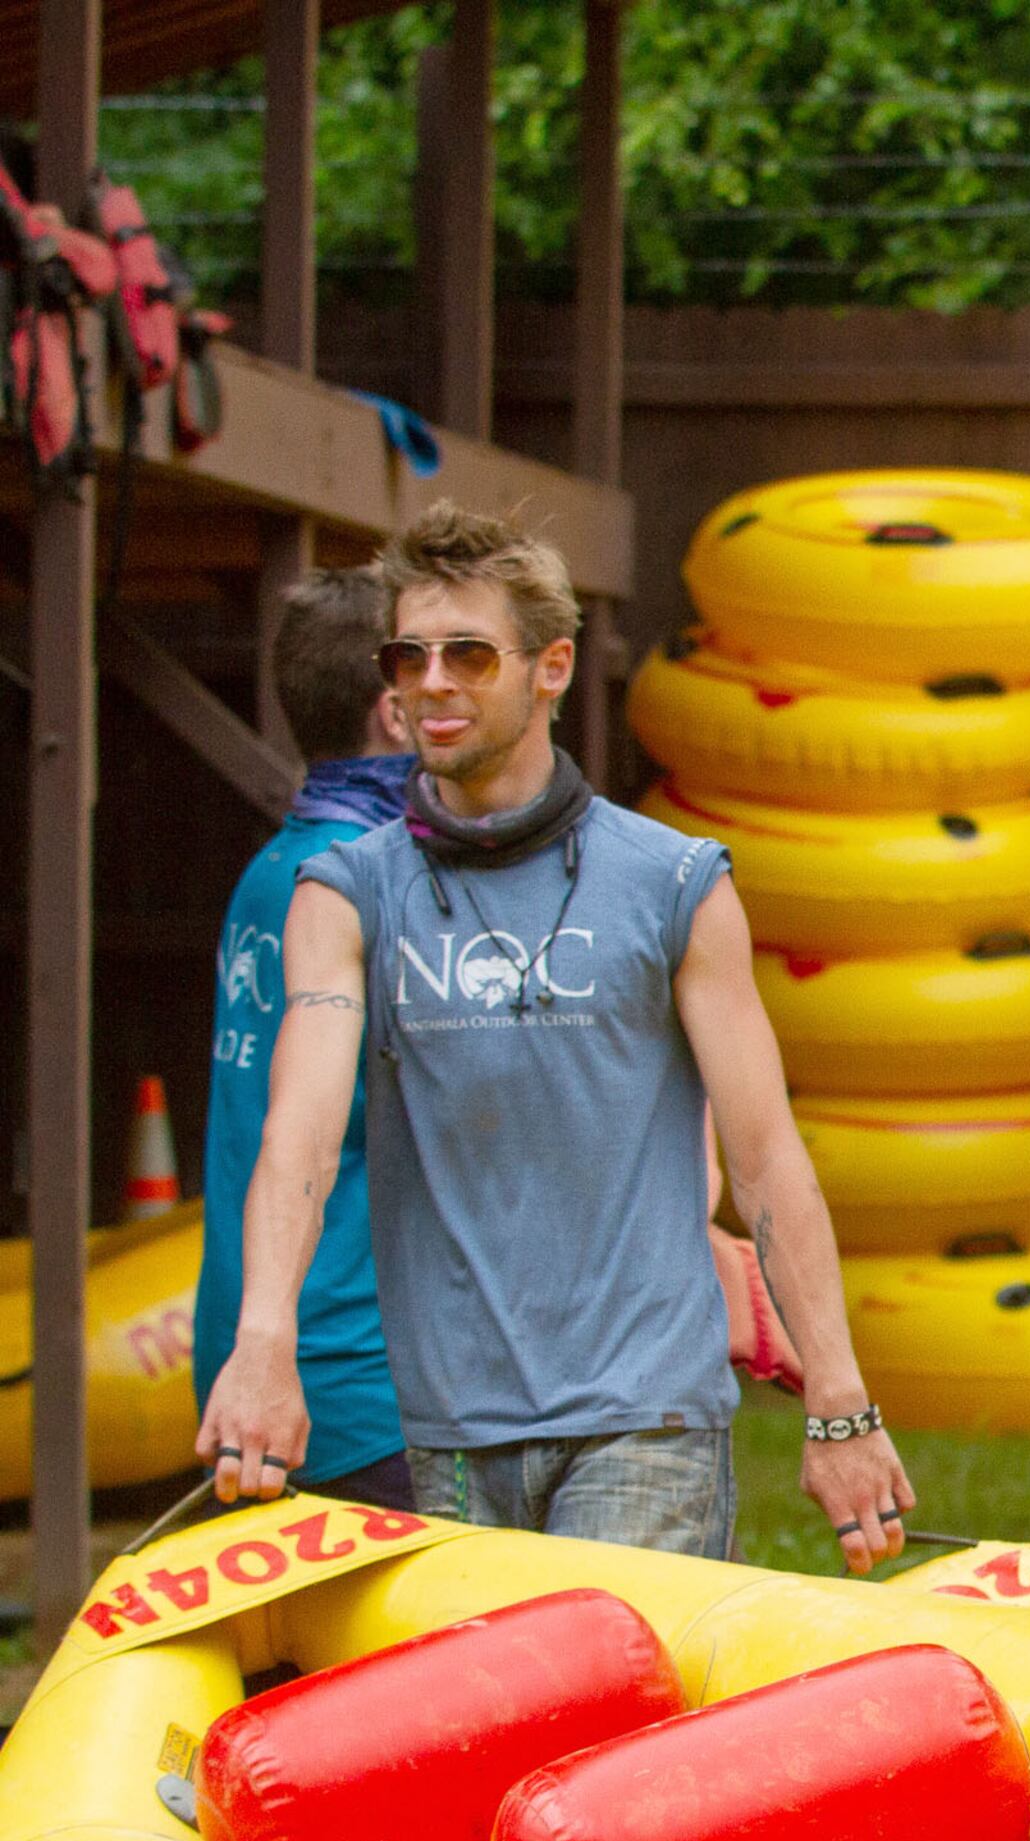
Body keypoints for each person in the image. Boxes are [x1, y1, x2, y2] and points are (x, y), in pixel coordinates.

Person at [196, 502, 915, 1567]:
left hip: (645, 1419)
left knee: (605, 1721)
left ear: (552, 667)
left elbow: (765, 1161)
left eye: (470, 654)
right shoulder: (343, 895)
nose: (432, 682)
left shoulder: (674, 885)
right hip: (445, 1432)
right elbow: (296, 1143)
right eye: (411, 655)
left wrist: (841, 1403)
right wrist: (263, 1341)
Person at [193, 565, 413, 1509]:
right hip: (356, 1380)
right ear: (397, 711)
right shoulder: (361, 894)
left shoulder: (270, 870)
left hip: (261, 1350)